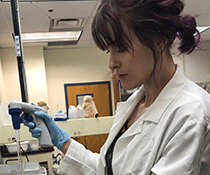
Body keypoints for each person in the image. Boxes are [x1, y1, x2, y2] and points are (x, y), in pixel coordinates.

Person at [23, 0, 210, 174]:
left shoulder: (191, 113)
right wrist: (62, 141)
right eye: (108, 50)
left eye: (120, 47)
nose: (111, 63)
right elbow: (107, 168)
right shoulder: (134, 105)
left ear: (158, 41)